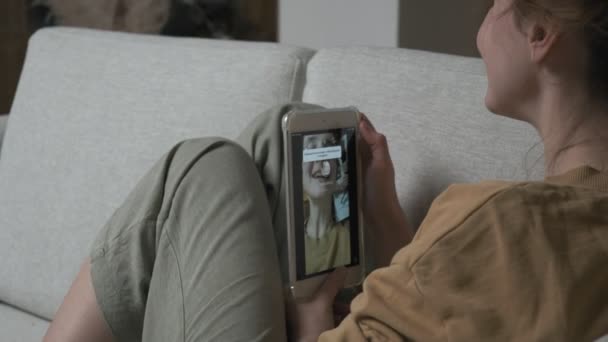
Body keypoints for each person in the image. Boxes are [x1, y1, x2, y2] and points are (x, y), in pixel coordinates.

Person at [44, 0, 608, 340]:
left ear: (540, 34)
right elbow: (450, 314)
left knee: (201, 167)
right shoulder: (568, 222)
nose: (485, 21)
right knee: (289, 127)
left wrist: (311, 306)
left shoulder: (496, 220)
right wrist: (385, 215)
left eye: (494, 4)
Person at [302, 132, 351, 275]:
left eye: (329, 146)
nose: (321, 158)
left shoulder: (353, 237)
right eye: (311, 148)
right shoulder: (286, 245)